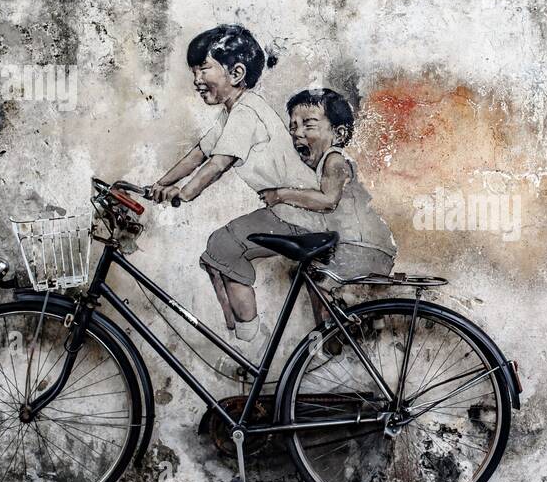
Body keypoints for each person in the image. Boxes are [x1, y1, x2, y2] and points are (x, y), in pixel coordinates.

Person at [145, 24, 323, 360]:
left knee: (224, 246)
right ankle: (242, 339)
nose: (197, 79)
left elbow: (218, 163)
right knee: (216, 254)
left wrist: (184, 193)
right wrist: (162, 183)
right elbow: (200, 153)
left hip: (300, 211)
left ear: (236, 72)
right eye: (194, 71)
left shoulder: (247, 112)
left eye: (204, 69)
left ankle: (252, 342)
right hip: (286, 211)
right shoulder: (234, 113)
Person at [259, 88, 397, 288]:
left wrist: (281, 195)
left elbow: (328, 201)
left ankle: (331, 320)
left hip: (361, 247)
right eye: (293, 126)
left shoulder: (334, 160)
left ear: (338, 133)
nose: (297, 133)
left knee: (317, 278)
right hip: (358, 246)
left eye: (309, 125)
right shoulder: (323, 164)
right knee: (313, 280)